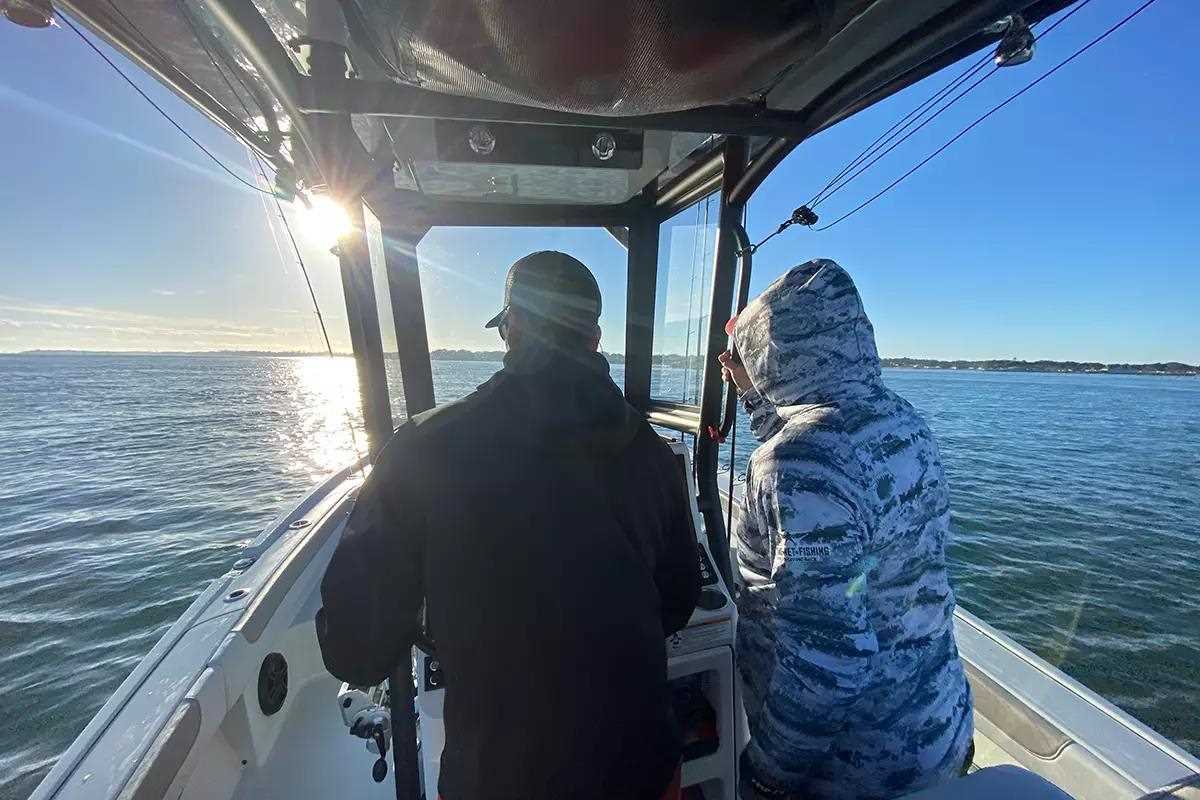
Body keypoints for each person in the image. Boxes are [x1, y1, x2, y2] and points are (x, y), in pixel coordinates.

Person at [316, 251, 701, 800]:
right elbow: (678, 598)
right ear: (594, 338)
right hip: (642, 769)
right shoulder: (654, 454)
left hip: (500, 776)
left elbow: (355, 650)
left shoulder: (423, 448)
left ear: (510, 329)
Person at [718, 260, 973, 800]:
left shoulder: (798, 462)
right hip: (935, 729)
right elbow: (821, 442)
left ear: (775, 352)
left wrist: (767, 774)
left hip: (855, 768)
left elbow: (829, 656)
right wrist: (754, 394)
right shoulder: (903, 420)